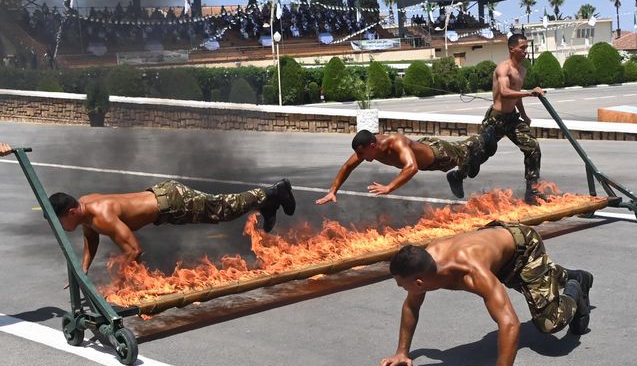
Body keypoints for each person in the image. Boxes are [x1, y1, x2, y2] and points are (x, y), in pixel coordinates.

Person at [377, 221, 593, 366]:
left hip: (523, 248)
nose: (401, 289)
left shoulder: (472, 273)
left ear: (419, 283)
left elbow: (510, 323)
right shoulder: (424, 265)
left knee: (549, 322)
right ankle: (563, 274)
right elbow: (412, 306)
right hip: (495, 248)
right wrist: (402, 352)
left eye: (401, 285)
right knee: (539, 277)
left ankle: (576, 286)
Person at [49, 179, 296, 273]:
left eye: (60, 221)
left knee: (223, 209)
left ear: (71, 212)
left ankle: (273, 193)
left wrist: (122, 277)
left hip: (173, 202)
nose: (61, 226)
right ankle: (267, 203)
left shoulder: (101, 216)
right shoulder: (85, 205)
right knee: (221, 208)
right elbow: (90, 237)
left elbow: (134, 251)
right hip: (165, 197)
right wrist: (83, 269)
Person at [446, 33, 548, 204]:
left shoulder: (522, 70)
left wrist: (524, 115)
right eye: (522, 48)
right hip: (495, 119)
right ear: (512, 49)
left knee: (532, 146)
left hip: (511, 119)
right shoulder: (503, 68)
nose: (525, 51)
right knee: (481, 154)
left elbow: (515, 96)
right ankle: (457, 175)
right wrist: (530, 93)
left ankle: (532, 191)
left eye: (526, 47)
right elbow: (505, 92)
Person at [315, 129, 496, 204]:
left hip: (439, 155)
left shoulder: (395, 142)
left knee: (468, 149)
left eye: (362, 154)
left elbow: (411, 167)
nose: (360, 158)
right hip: (424, 148)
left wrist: (389, 187)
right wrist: (333, 190)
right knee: (469, 159)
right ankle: (465, 168)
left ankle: (484, 138)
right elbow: (347, 166)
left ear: (372, 146)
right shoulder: (368, 149)